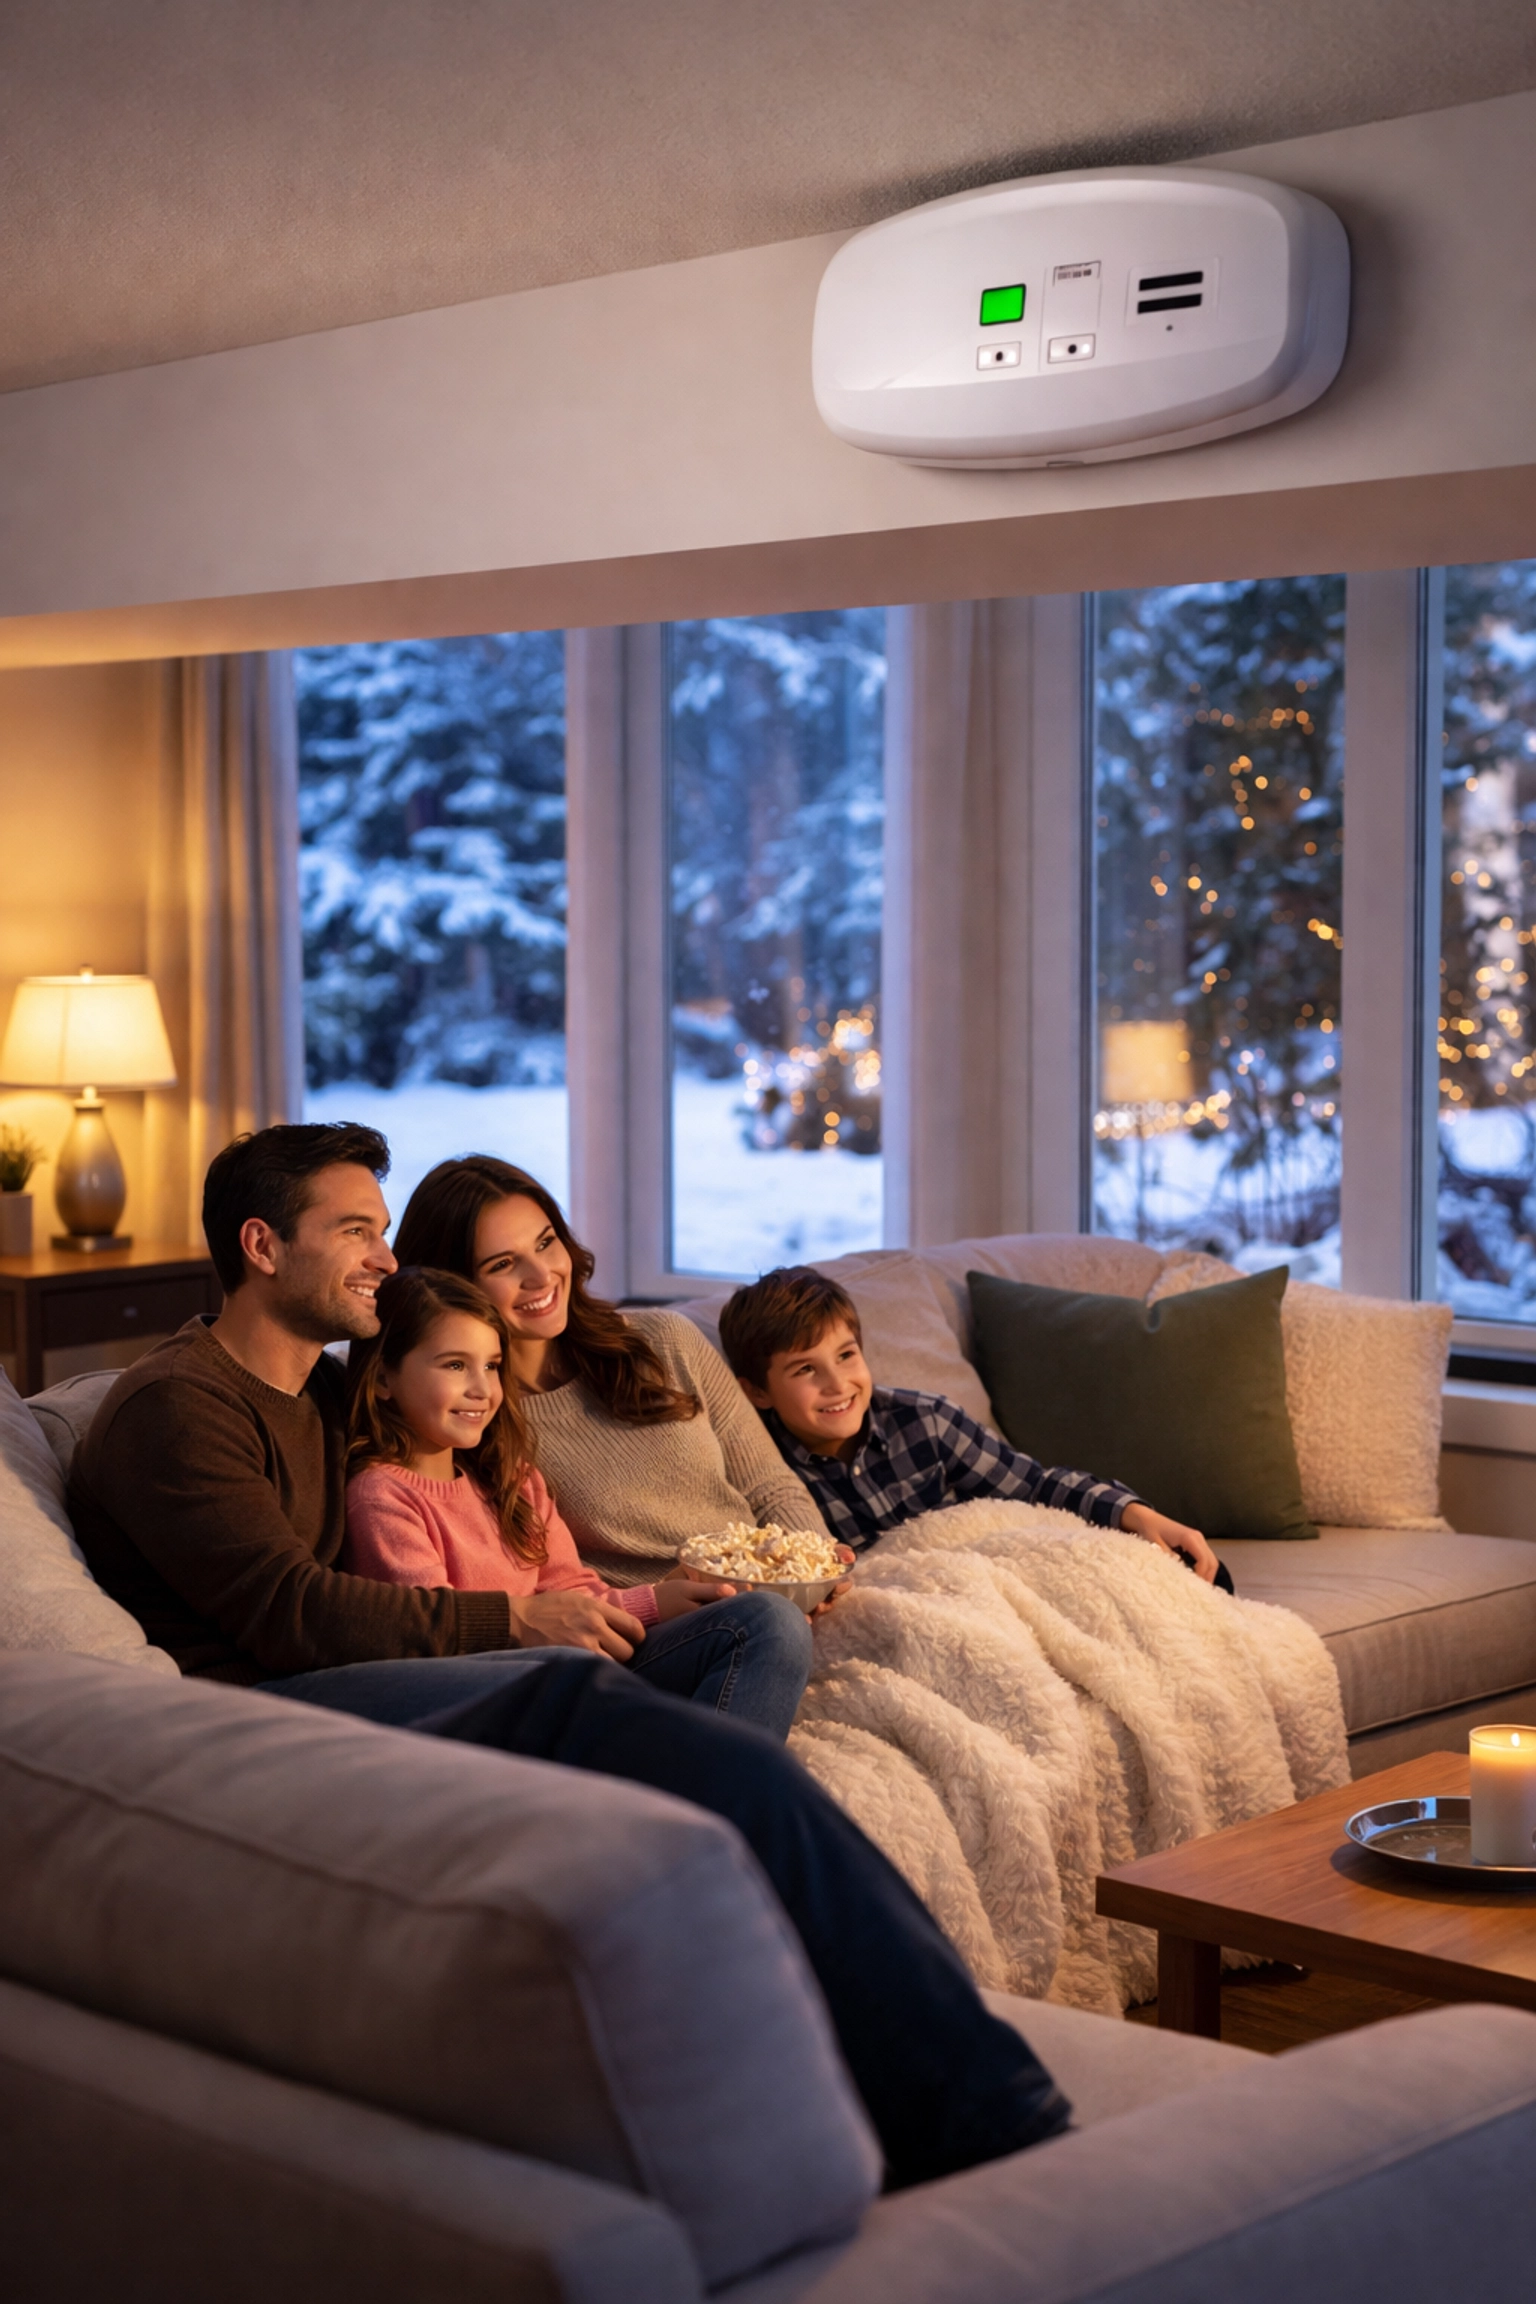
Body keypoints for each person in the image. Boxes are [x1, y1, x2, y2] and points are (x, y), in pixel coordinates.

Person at [69, 1122, 1070, 2184]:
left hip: (390, 1669)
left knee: (738, 1660)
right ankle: (969, 2100)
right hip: (268, 1714)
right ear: (263, 1246)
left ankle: (888, 2070)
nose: (386, 1258)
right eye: (357, 1231)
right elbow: (289, 1615)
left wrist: (633, 1599)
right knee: (631, 1719)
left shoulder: (325, 1393)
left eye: (384, 1231)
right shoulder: (181, 1405)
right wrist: (516, 1624)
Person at [343, 1264, 812, 1740]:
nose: (482, 1390)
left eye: (492, 1366)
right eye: (455, 1365)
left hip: (587, 1673)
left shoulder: (511, 1478)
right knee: (576, 1667)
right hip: (509, 1696)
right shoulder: (381, 1497)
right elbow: (436, 1636)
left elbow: (572, 1594)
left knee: (768, 1620)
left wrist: (656, 1601)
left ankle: (705, 1772)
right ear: (382, 1378)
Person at [391, 1156, 832, 1592]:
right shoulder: (471, 1421)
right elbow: (548, 1586)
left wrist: (815, 1573)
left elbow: (769, 1487)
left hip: (774, 1592)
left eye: (545, 1243)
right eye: (502, 1264)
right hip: (656, 1623)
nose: (542, 1275)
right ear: (451, 1286)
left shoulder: (666, 1340)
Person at [717, 1263, 1235, 1592]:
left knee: (1183, 1576)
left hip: (985, 1577)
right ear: (757, 1391)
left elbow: (1037, 1488)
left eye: (847, 1355)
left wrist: (1133, 1513)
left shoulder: (924, 1421)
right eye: (805, 1370)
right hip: (910, 1607)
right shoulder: (764, 1475)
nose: (838, 1384)